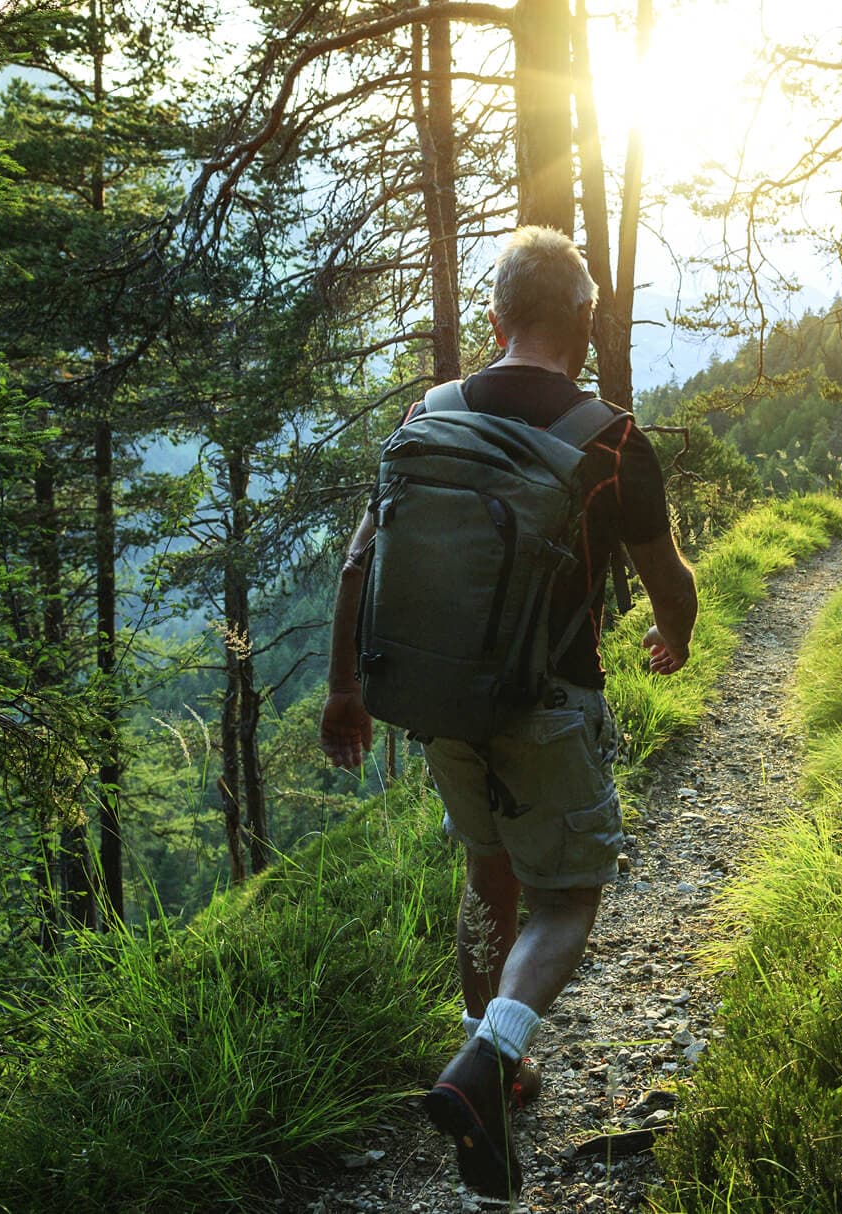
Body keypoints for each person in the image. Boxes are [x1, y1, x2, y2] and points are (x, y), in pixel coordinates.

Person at [318, 226, 698, 1200]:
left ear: (495, 319)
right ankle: (492, 1056)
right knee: (565, 897)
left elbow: (360, 560)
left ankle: (487, 1058)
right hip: (548, 706)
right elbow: (667, 580)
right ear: (584, 321)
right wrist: (673, 635)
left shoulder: (428, 414)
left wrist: (344, 689)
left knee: (487, 869)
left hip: (440, 705)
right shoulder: (608, 438)